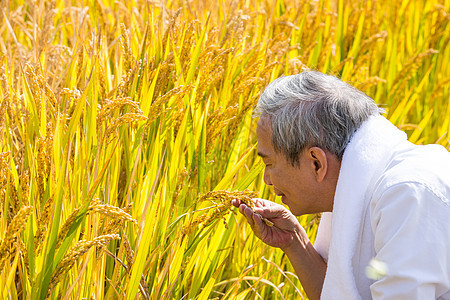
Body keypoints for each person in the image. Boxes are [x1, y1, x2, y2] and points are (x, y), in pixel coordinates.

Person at [232, 71, 450, 300]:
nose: (267, 179)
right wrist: (294, 241)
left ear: (316, 163)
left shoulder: (407, 195)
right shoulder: (366, 184)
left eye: (269, 163)